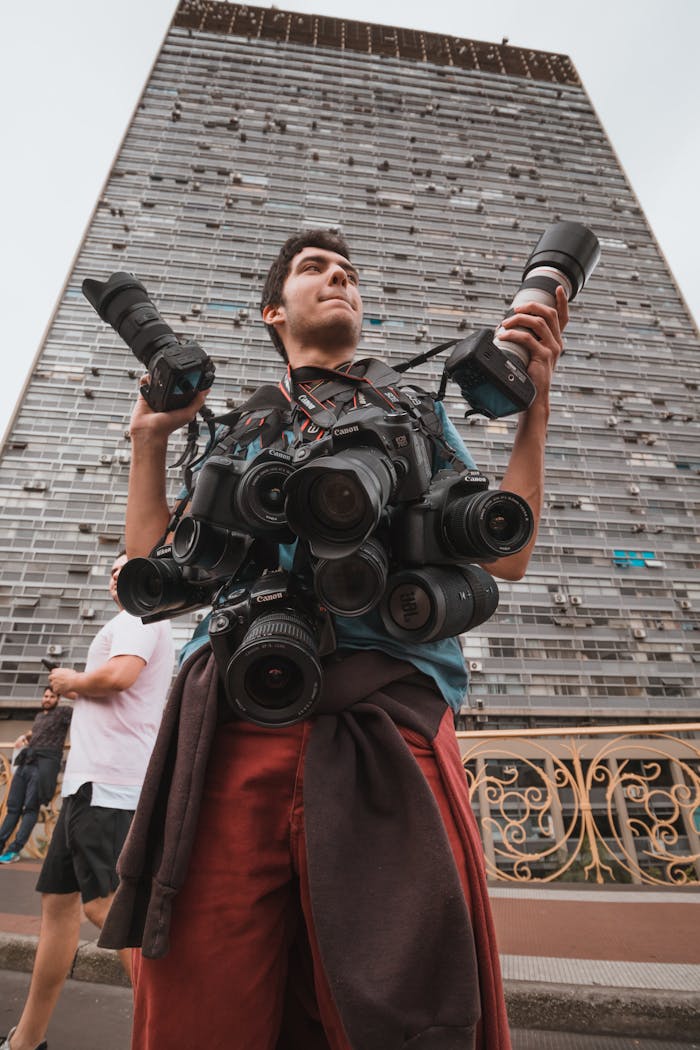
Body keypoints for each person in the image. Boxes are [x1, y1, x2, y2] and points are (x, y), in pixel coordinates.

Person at [102, 229, 568, 1050]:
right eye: (317, 270)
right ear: (272, 311)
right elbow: (160, 570)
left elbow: (510, 551)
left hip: (387, 722)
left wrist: (534, 415)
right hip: (239, 713)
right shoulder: (237, 429)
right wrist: (152, 440)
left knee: (401, 997)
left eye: (350, 272)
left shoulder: (412, 410)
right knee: (204, 1000)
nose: (339, 279)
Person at [1, 554, 174, 1050]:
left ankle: (173, 1031)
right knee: (59, 909)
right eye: (113, 570)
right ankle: (25, 1041)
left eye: (127, 567)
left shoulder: (141, 616)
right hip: (88, 786)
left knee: (107, 909)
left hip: (108, 786)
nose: (116, 575)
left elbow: (119, 677)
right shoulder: (133, 619)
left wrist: (69, 680)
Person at [0, 689, 72, 864]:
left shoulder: (63, 712)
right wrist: (24, 736)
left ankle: (14, 850)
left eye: (51, 697)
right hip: (26, 762)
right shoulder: (40, 716)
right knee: (13, 807)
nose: (47, 699)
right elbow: (35, 732)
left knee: (30, 809)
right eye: (45, 696)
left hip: (43, 765)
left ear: (58, 699)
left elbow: (83, 710)